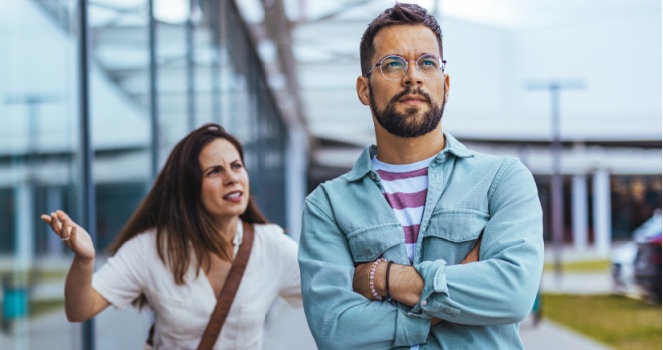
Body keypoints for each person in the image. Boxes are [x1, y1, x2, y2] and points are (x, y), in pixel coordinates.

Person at [297, 3, 543, 349]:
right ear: (364, 89)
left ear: (444, 84)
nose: (412, 76)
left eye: (427, 63)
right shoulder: (328, 205)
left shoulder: (501, 180)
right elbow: (335, 330)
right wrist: (456, 296)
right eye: (393, 64)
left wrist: (382, 277)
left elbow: (514, 294)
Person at [41, 123, 301, 349]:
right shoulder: (151, 248)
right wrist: (85, 261)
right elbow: (79, 309)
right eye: (214, 171)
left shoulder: (271, 245)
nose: (231, 178)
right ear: (189, 188)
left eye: (236, 166)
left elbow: (334, 290)